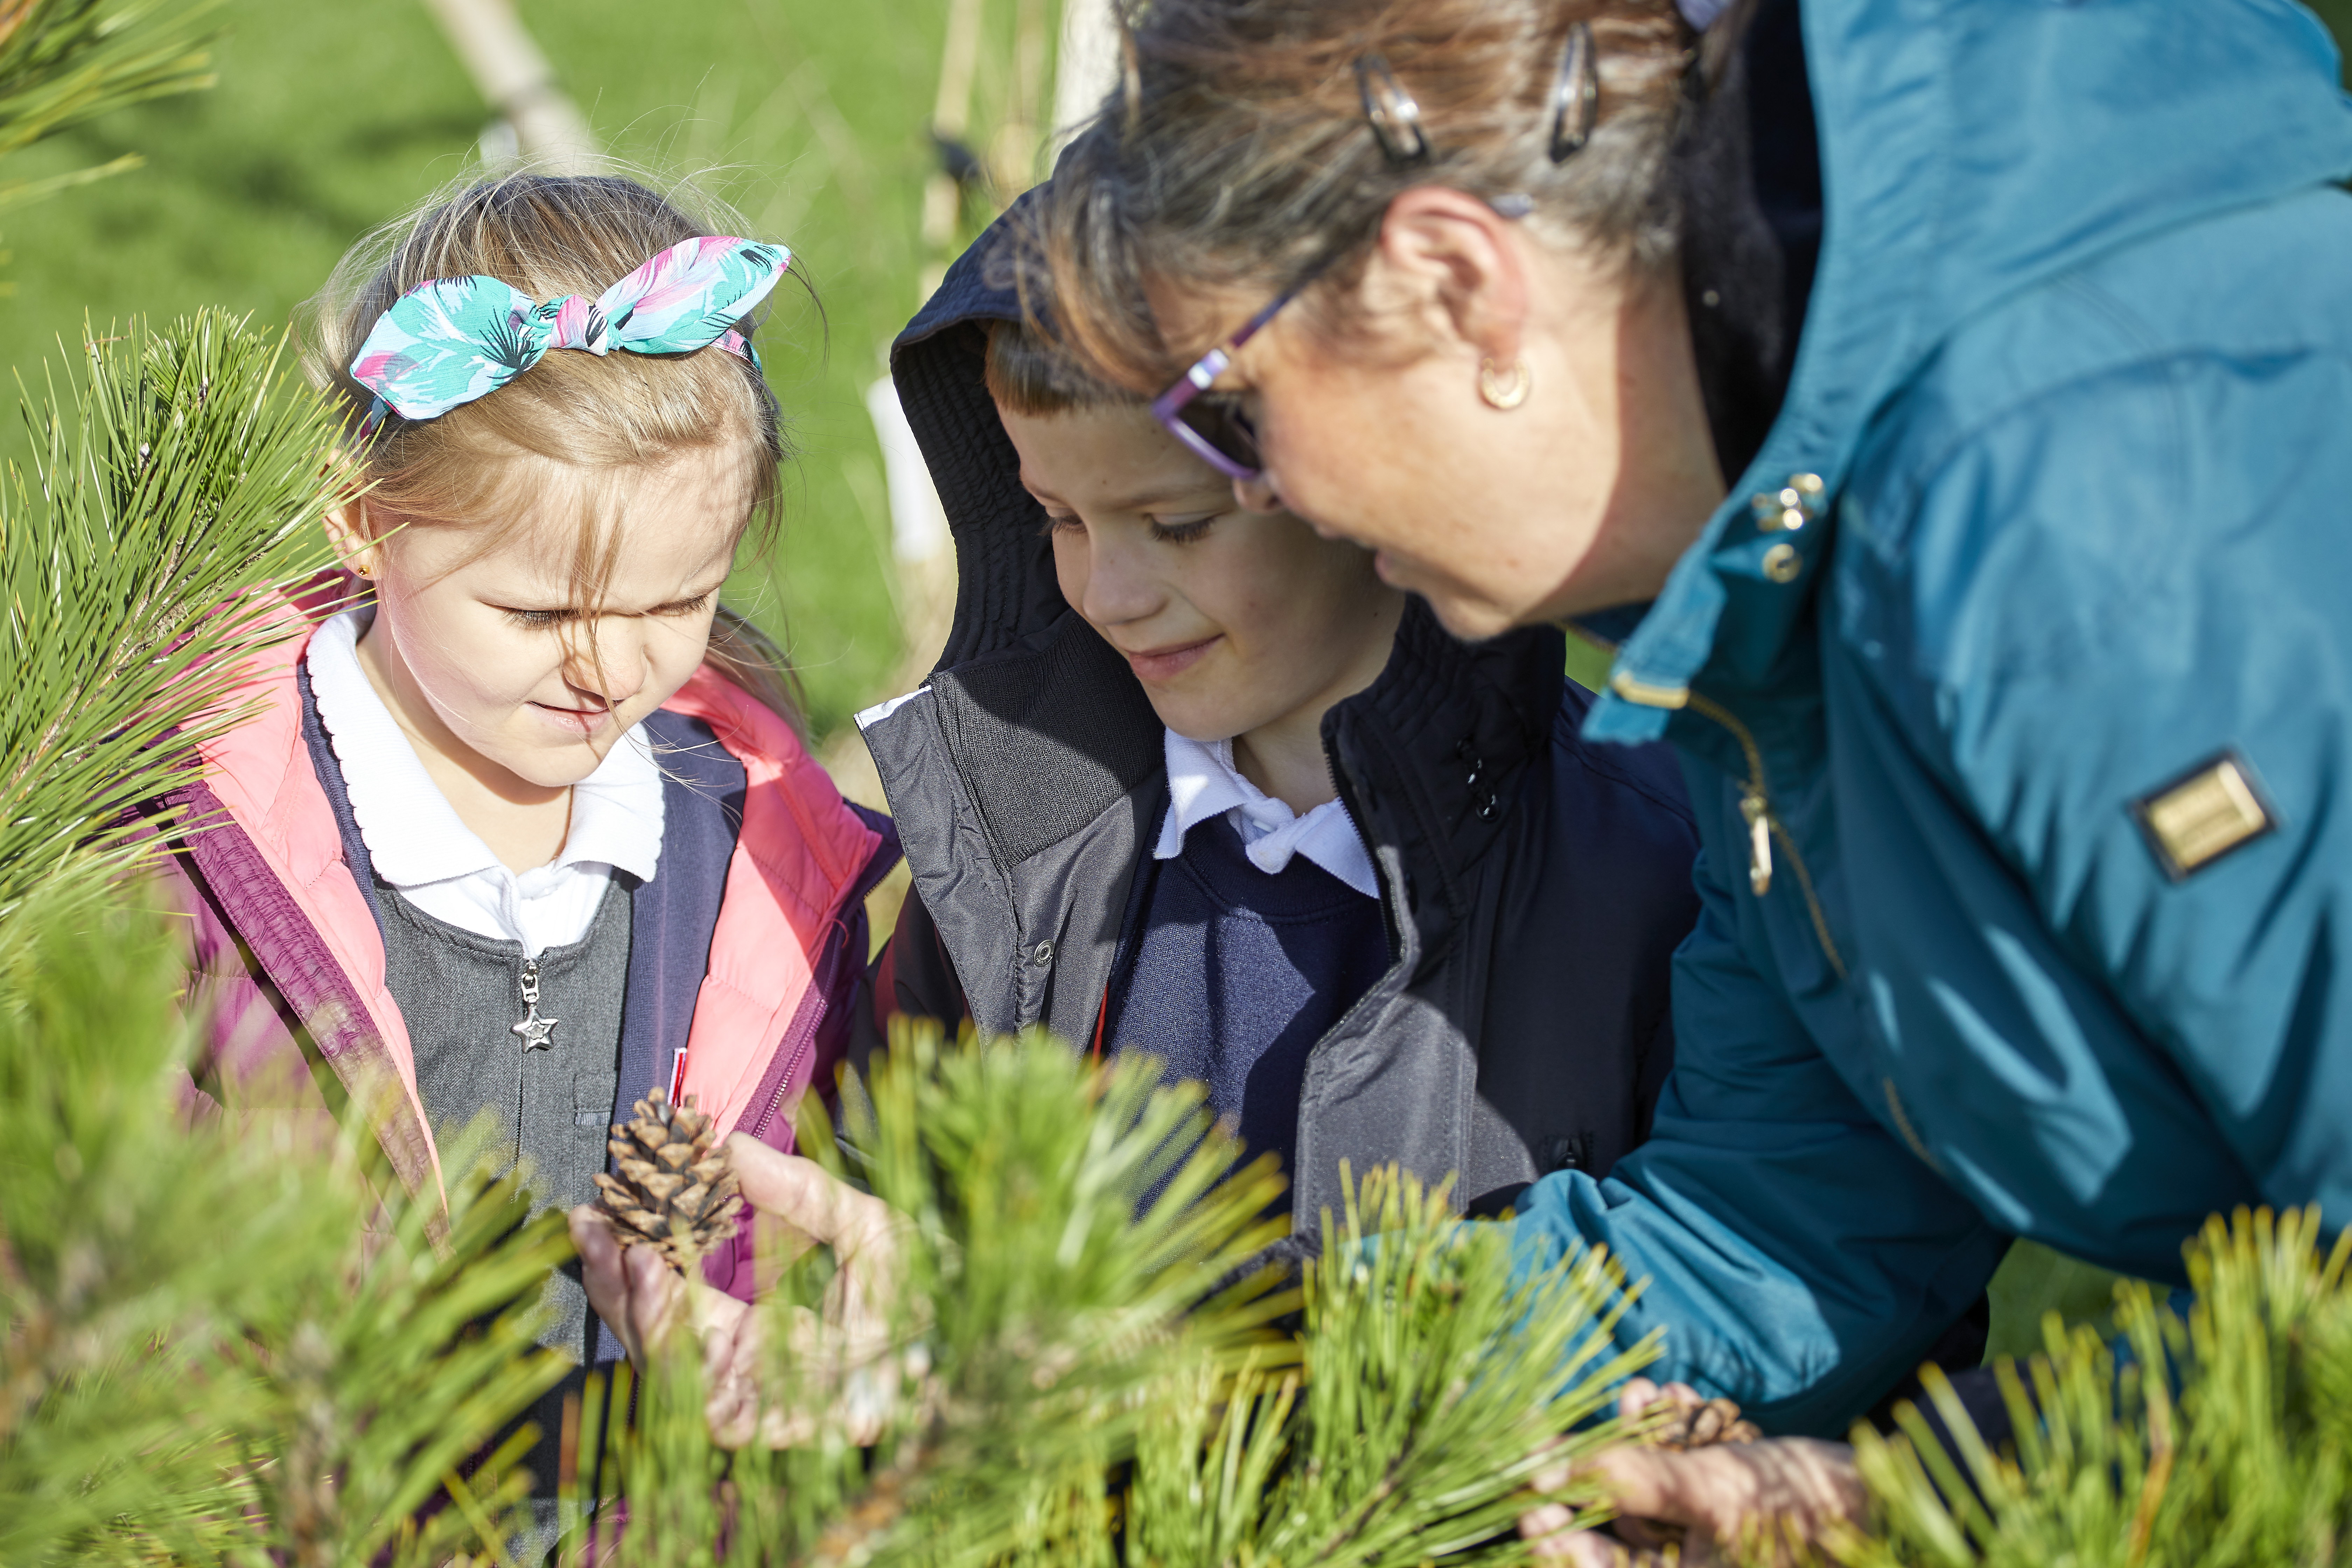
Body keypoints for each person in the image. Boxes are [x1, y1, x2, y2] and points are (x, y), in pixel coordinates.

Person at [1020, 0, 2352, 1555]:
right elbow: (1784, 1219)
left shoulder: (2081, 515)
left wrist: (1921, 1509)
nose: (1280, 492)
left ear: (1461, 285)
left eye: (1234, 414)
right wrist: (1106, 1380)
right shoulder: (1758, 623)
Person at [152, 171, 898, 1547]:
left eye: (677, 601)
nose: (607, 667)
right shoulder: (189, 849)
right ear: (364, 518)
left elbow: (798, 1245)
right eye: (537, 606)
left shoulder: (760, 857)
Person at [859, 207, 1701, 1234]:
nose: (1111, 592)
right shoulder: (1019, 847)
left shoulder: (1654, 869)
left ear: (1364, 478)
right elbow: (876, 1188)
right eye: (1060, 520)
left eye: (1179, 524)